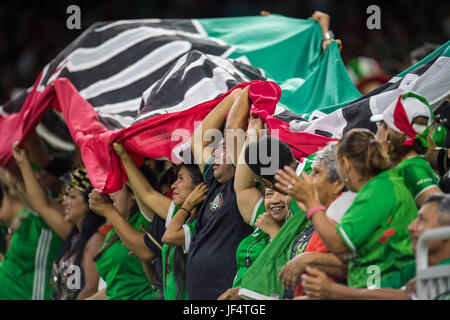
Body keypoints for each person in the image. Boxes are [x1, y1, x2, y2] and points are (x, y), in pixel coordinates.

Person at [275, 128, 418, 288]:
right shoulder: (380, 186)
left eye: (317, 172)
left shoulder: (378, 190)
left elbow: (340, 247)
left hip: (386, 286)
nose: (311, 178)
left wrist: (311, 204)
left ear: (346, 164)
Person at [104, 142, 206, 300]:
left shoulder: (202, 222)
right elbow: (146, 194)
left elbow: (168, 236)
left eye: (180, 178)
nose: (173, 185)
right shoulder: (180, 213)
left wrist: (107, 210)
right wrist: (122, 157)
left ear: (199, 188)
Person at [300, 193, 450, 300]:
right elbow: (376, 293)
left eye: (422, 220)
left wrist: (332, 291)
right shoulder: (414, 269)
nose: (411, 226)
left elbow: (405, 297)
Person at [186, 87, 254, 299]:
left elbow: (235, 130)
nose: (214, 152)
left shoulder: (243, 185)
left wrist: (244, 97)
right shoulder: (214, 183)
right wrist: (231, 97)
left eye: (223, 147)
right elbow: (198, 141)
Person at [277, 141, 354, 297]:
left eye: (317, 173)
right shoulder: (323, 214)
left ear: (338, 184)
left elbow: (354, 264)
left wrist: (308, 259)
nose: (309, 180)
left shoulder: (348, 214)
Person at [0, 143, 70, 300]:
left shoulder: (56, 213)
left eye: (45, 175)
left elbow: (39, 204)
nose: (39, 177)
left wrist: (17, 176)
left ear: (62, 183)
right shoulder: (34, 212)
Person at [86, 179, 161, 300]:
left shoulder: (145, 220)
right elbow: (115, 286)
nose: (109, 191)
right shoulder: (112, 232)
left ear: (133, 194)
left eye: (116, 185)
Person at [371, 92, 442, 207]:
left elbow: (442, 212)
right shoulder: (409, 164)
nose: (377, 130)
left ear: (388, 132)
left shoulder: (411, 168)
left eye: (381, 123)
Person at [51, 167, 105, 300]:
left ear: (88, 202)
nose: (64, 203)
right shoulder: (74, 238)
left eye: (72, 197)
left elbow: (92, 288)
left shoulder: (95, 239)